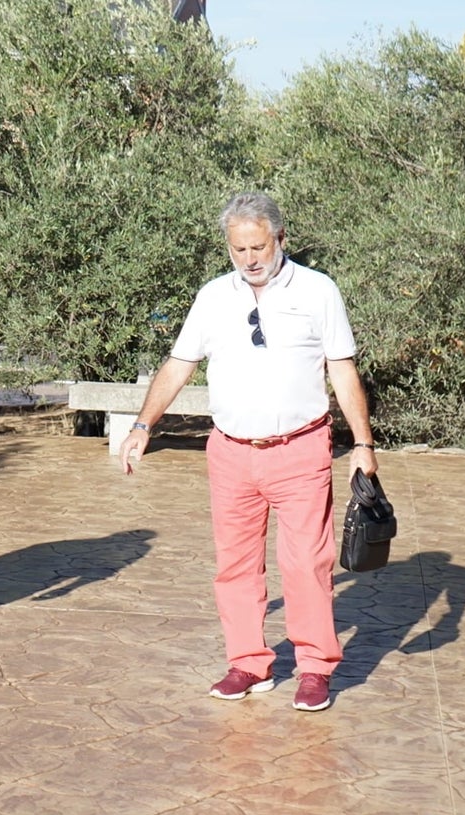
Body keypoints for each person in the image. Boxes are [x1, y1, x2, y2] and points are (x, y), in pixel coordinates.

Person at [119, 192, 378, 712]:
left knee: (306, 563)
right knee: (235, 566)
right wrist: (143, 424)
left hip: (300, 450)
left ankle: (314, 668)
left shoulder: (318, 291)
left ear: (281, 239)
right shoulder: (213, 297)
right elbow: (179, 362)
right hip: (230, 453)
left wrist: (364, 443)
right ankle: (248, 663)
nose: (249, 259)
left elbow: (342, 368)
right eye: (238, 249)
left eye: (258, 246)